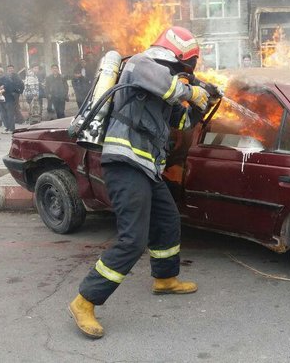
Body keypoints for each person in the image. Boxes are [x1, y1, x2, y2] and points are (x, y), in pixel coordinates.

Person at [68, 26, 218, 339]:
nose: (184, 74)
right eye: (184, 67)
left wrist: (203, 103)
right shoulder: (140, 64)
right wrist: (192, 90)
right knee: (132, 240)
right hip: (124, 165)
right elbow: (168, 86)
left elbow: (179, 122)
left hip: (146, 168)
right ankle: (85, 301)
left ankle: (165, 279)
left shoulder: (164, 92)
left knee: (167, 220)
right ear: (176, 57)